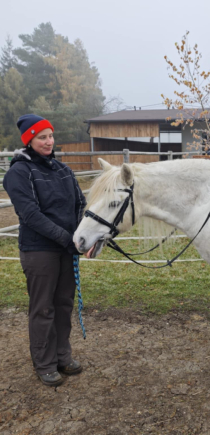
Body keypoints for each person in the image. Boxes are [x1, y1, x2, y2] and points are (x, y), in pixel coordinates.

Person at [3, 114, 86, 387]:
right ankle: (45, 363)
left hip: (66, 248)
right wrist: (66, 238)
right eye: (42, 137)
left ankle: (63, 356)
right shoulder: (19, 173)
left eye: (50, 136)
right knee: (42, 309)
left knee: (63, 305)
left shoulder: (63, 169)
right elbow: (30, 214)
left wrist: (80, 234)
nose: (49, 141)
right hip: (39, 250)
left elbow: (79, 202)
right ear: (29, 140)